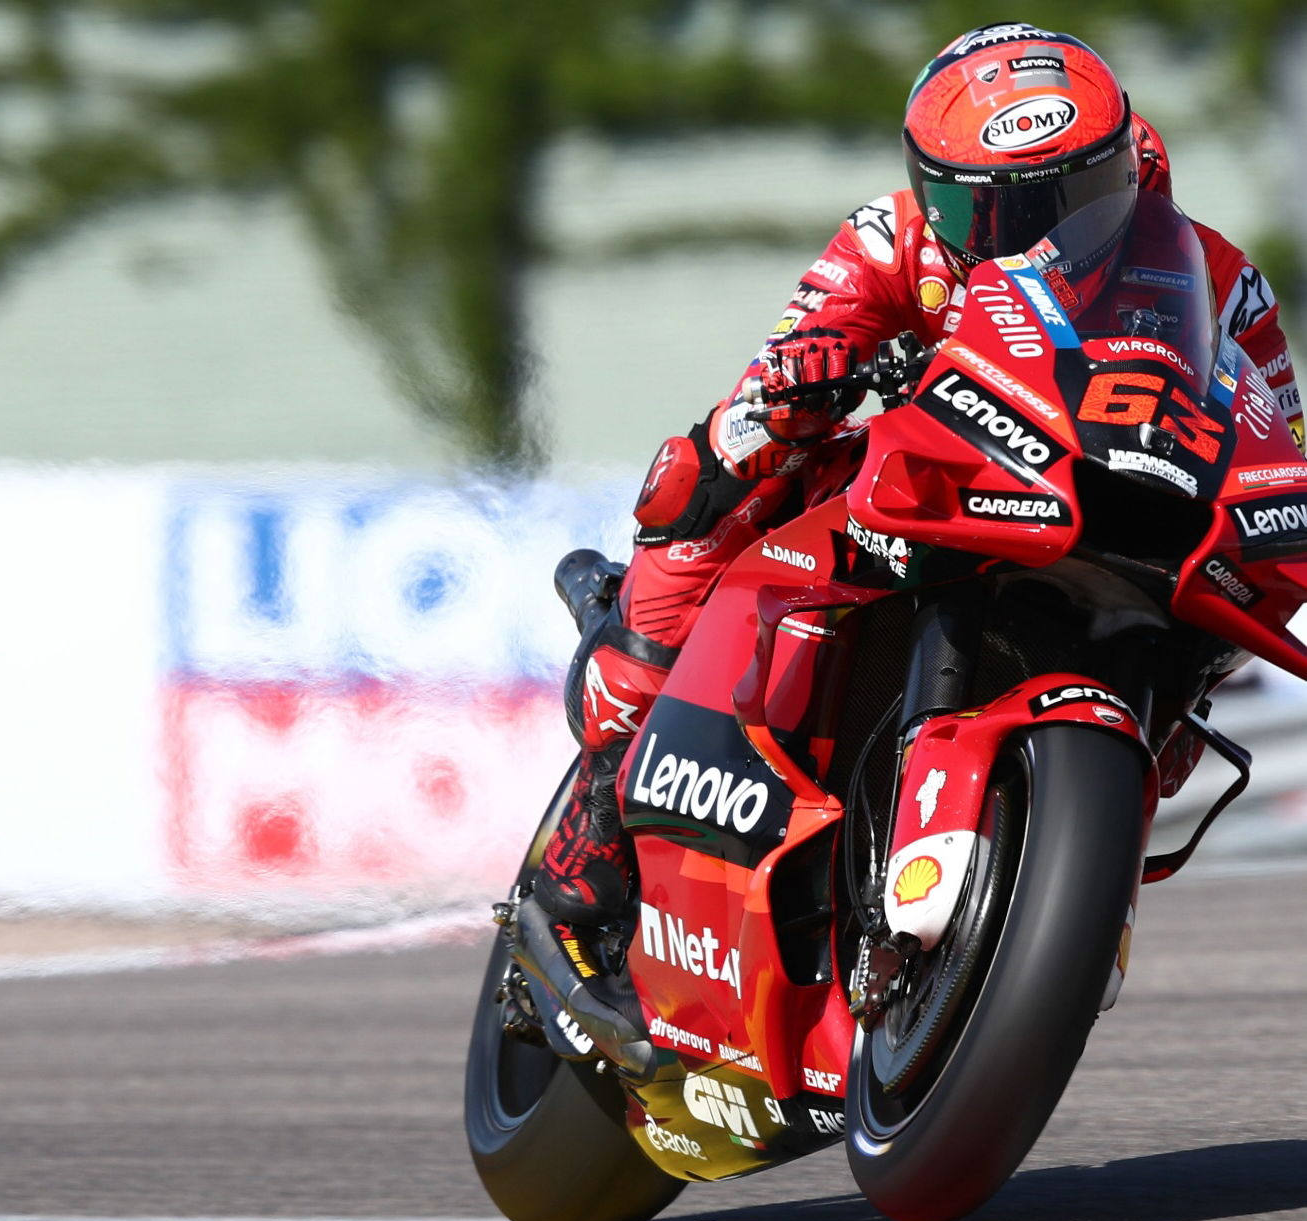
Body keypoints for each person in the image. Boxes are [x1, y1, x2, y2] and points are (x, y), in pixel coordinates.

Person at [533, 23, 1303, 962]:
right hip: (930, 482)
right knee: (708, 479)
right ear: (932, 190)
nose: (1027, 236)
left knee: (1226, 628)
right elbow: (782, 365)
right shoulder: (889, 239)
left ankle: (1055, 855)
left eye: (1072, 202)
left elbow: (1279, 435)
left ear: (1125, 174)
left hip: (1109, 506)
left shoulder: (1223, 281)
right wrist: (792, 389)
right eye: (986, 209)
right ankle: (604, 785)